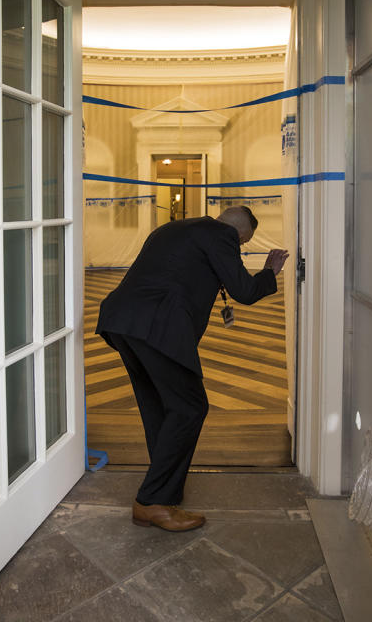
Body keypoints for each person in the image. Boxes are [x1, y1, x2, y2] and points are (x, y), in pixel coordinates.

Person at [95, 206, 289, 532]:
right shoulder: (221, 236)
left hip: (122, 321)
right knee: (190, 407)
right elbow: (244, 291)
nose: (237, 249)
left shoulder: (174, 229)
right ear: (240, 235)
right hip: (157, 326)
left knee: (160, 406)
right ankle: (152, 502)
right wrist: (270, 272)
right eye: (242, 245)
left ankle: (166, 489)